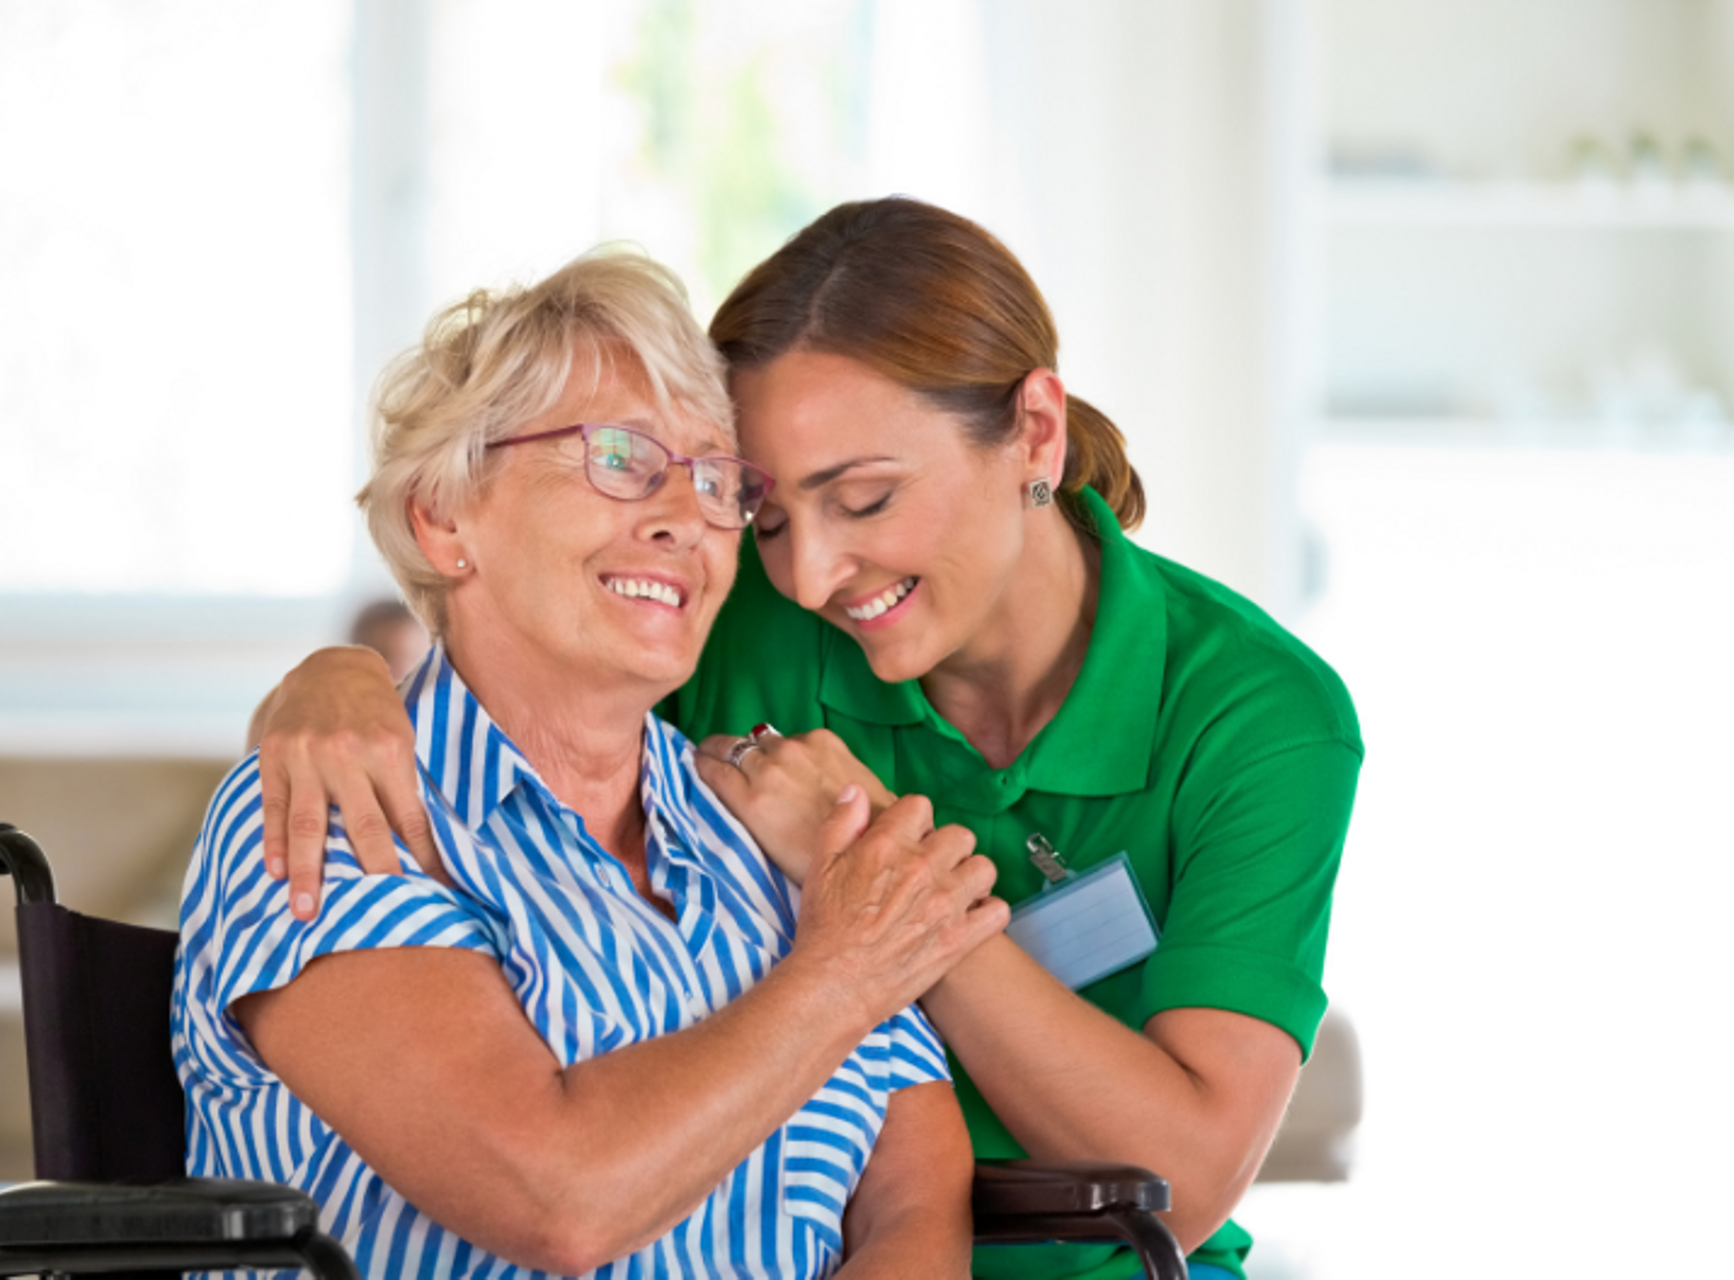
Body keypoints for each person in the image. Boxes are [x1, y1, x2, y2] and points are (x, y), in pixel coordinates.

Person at [254, 198, 1363, 1280]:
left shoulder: (1257, 712)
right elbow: (512, 673)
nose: (814, 573)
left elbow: (1187, 1172)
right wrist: (338, 675)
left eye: (867, 499)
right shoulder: (743, 622)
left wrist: (875, 874)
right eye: (769, 517)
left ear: (1034, 428)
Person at [172, 249, 1009, 1280]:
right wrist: (837, 974)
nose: (682, 516)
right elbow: (557, 1196)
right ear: (443, 516)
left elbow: (919, 1188)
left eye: (714, 479)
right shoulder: (338, 806)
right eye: (619, 457)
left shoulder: (754, 816)